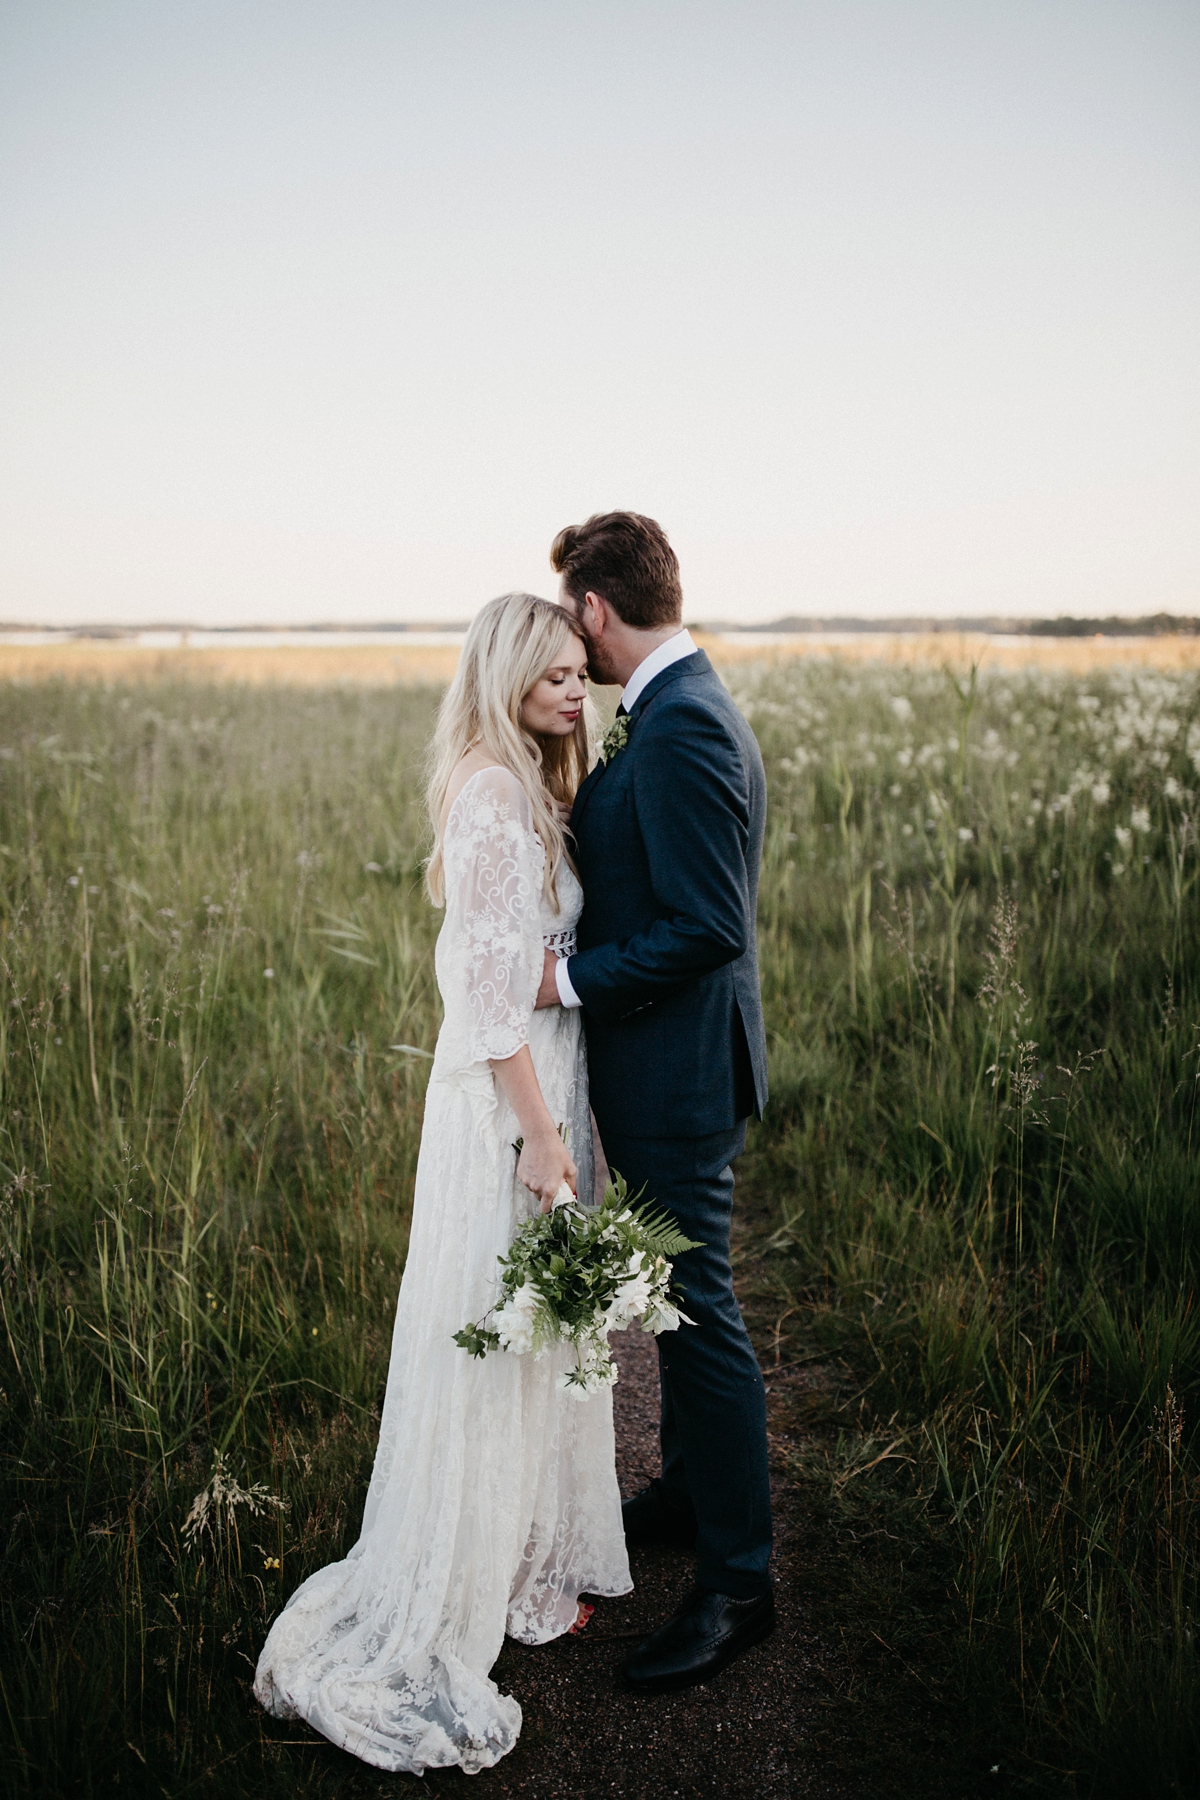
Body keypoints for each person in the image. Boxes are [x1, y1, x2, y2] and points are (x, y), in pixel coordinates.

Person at [254, 593, 631, 1775]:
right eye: (560, 674)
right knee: (495, 1315)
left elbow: (525, 955)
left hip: (538, 1089)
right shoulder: (489, 794)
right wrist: (540, 1137)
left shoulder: (527, 780)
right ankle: (458, 1580)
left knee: (526, 1327)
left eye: (586, 672)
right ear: (512, 670)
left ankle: (522, 1556)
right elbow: (485, 1001)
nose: (581, 690)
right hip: (501, 1109)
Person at [536, 511, 774, 1694]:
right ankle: (687, 1493)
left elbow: (710, 924)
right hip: (671, 1065)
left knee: (703, 1308)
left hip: (679, 1075)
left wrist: (568, 977)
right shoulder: (682, 706)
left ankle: (739, 1582)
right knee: (680, 1308)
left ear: (592, 609)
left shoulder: (681, 728)